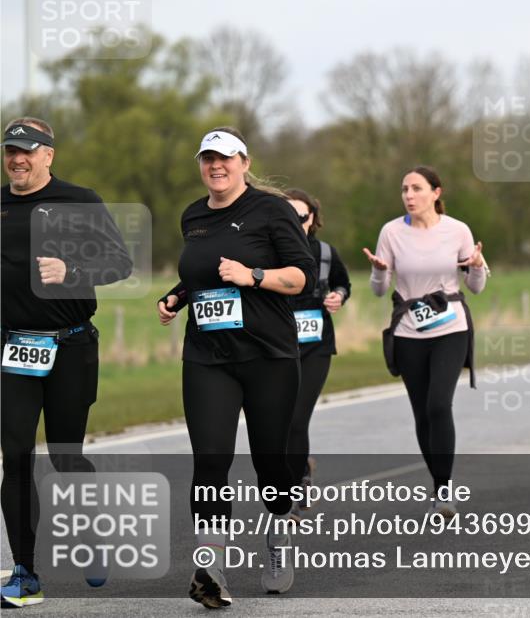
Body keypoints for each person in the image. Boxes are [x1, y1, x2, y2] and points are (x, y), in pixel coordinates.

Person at [156, 127, 315, 607]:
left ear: (244, 162)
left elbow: (301, 276)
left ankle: (279, 531)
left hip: (269, 356)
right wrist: (177, 298)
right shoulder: (193, 216)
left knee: (271, 464)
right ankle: (211, 565)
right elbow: (200, 275)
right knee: (209, 458)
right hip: (208, 358)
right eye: (207, 158)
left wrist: (255, 276)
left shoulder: (272, 211)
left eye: (225, 158)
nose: (215, 166)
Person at [1, 118, 133, 608]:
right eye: (11, 151)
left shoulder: (81, 201)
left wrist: (72, 270)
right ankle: (25, 573)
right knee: (15, 457)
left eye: (27, 151)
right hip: (13, 349)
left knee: (64, 455)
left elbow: (120, 262)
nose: (17, 159)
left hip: (71, 347)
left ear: (48, 155)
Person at [364, 166, 488, 519]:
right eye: (404, 189)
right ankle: (438, 487)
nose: (409, 195)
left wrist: (477, 265)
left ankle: (445, 488)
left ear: (436, 192)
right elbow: (378, 290)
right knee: (421, 412)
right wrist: (378, 269)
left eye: (417, 188)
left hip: (450, 326)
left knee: (438, 405)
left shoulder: (457, 230)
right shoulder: (391, 231)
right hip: (407, 330)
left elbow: (476, 287)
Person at [284, 188, 351, 519]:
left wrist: (337, 296)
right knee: (281, 421)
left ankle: (295, 491)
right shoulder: (269, 253)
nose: (297, 222)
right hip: (278, 347)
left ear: (313, 219)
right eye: (289, 216)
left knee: (297, 418)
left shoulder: (325, 253)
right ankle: (303, 469)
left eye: (302, 216)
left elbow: (344, 284)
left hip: (316, 346)